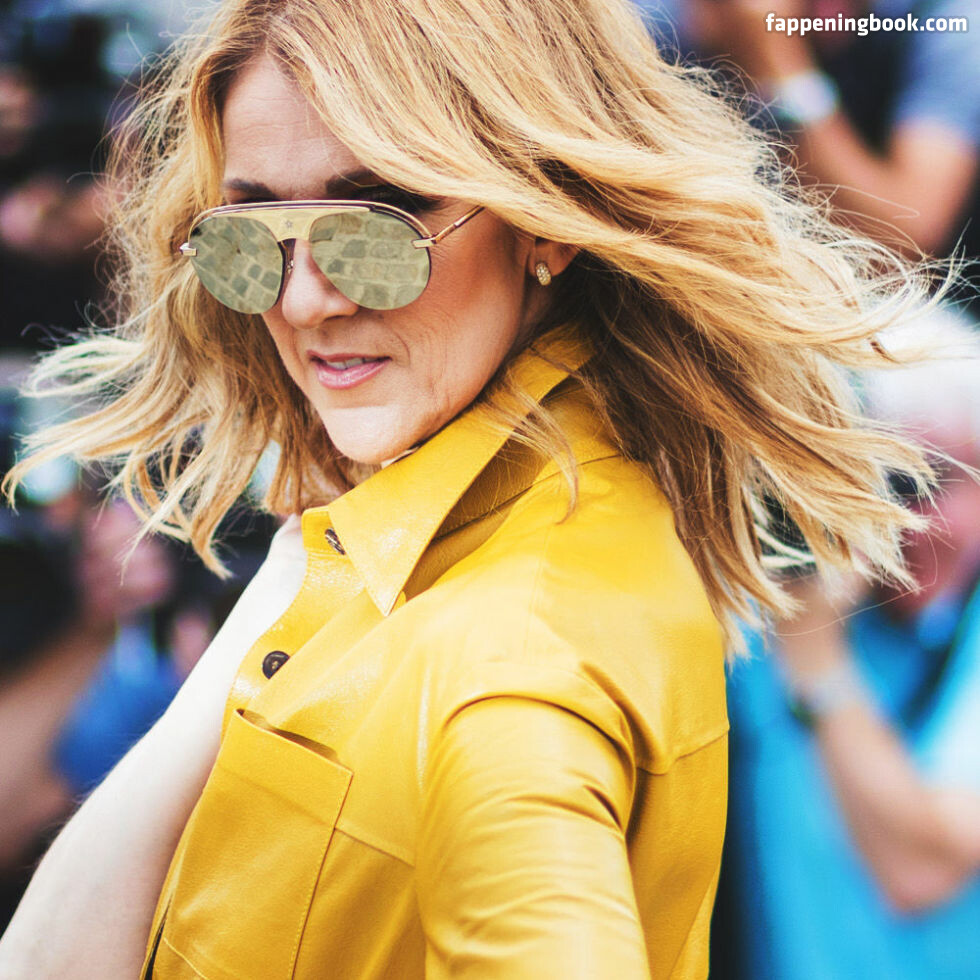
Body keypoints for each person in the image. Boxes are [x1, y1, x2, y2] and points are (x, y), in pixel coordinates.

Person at [0, 0, 954, 976]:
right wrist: (280, 594)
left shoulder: (514, 664)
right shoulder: (406, 542)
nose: (304, 298)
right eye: (248, 237)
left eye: (374, 227)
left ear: (543, 220)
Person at [721, 314, 980, 979]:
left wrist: (815, 657)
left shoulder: (810, 631)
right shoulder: (781, 600)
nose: (908, 523)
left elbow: (919, 867)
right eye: (886, 486)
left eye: (937, 483)